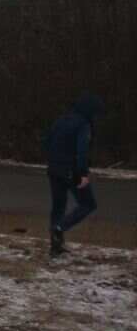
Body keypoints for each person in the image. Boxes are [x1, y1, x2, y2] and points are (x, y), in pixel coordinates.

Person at [43, 93, 103, 257]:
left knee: (58, 206)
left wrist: (54, 161)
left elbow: (47, 141)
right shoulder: (83, 124)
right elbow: (81, 151)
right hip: (71, 170)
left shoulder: (61, 120)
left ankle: (55, 246)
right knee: (88, 204)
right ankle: (59, 228)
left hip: (54, 169)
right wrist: (83, 173)